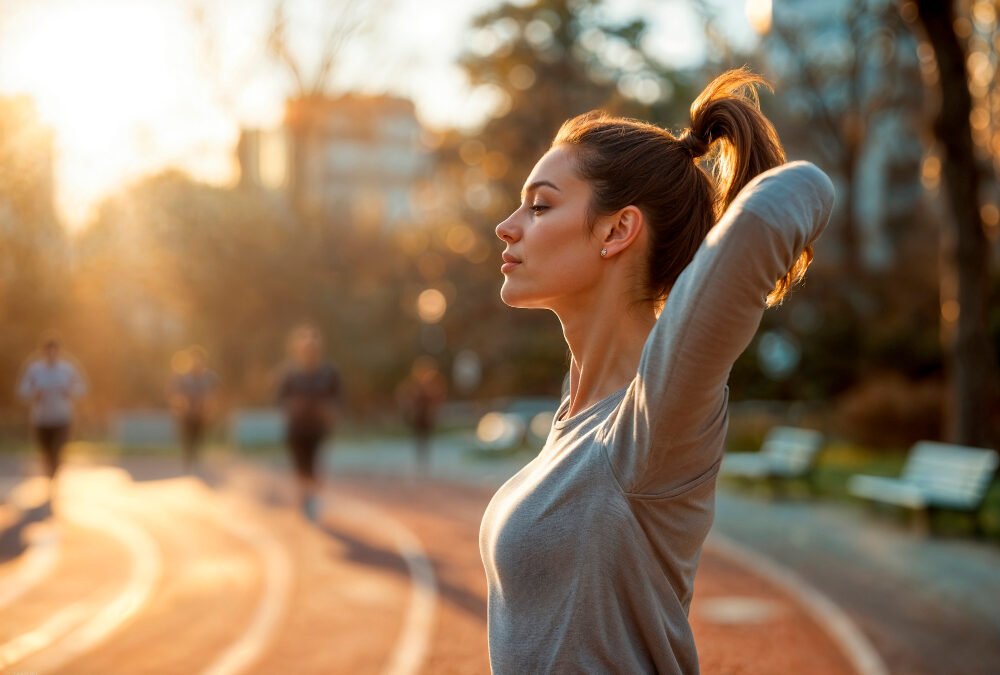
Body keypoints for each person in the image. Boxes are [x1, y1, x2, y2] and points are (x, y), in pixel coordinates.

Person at [479, 69, 835, 673]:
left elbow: (802, 190)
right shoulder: (576, 414)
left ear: (618, 230)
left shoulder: (656, 422)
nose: (507, 226)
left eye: (540, 206)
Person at [277, 325, 340, 521]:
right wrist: (291, 407)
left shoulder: (328, 373)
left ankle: (310, 496)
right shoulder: (290, 373)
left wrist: (330, 412)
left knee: (314, 463)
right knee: (300, 464)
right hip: (296, 427)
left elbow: (338, 398)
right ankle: (306, 494)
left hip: (317, 427)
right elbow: (280, 399)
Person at [17, 336, 87, 485]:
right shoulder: (35, 370)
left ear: (58, 352)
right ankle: (50, 472)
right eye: (48, 352)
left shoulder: (67, 369)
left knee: (58, 450)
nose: (51, 355)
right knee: (46, 450)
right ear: (43, 353)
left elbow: (81, 387)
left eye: (54, 352)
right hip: (41, 419)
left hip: (62, 418)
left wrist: (70, 391)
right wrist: (34, 393)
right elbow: (22, 390)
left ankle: (54, 473)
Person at [167, 345, 219, 473]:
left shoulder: (208, 377)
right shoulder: (183, 377)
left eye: (199, 359)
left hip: (201, 413)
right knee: (187, 436)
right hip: (187, 413)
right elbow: (175, 393)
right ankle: (188, 459)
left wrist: (208, 407)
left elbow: (213, 394)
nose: (196, 362)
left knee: (199, 436)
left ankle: (196, 457)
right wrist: (180, 406)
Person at [396, 357, 446, 475]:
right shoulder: (414, 386)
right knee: (420, 440)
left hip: (426, 418)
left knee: (425, 439)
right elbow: (405, 396)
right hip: (418, 418)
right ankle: (421, 462)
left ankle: (424, 463)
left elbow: (438, 399)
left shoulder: (432, 386)